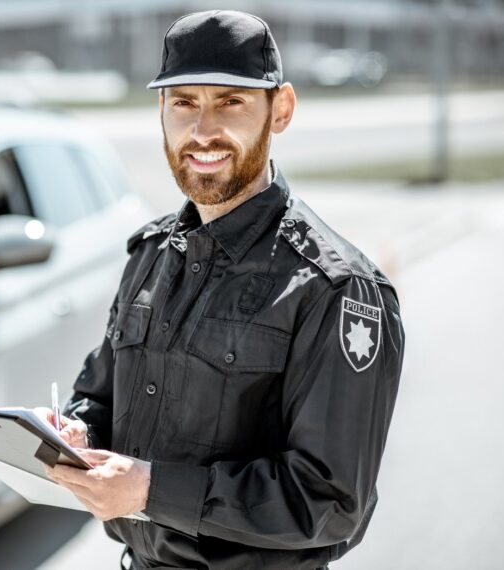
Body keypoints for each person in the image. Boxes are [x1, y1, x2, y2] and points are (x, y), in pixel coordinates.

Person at [38, 9, 405, 570]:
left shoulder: (336, 288)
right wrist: (77, 428)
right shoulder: (152, 255)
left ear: (279, 110)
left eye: (230, 102)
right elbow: (102, 393)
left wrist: (148, 489)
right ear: (161, 112)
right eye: (184, 102)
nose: (203, 130)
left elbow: (330, 502)